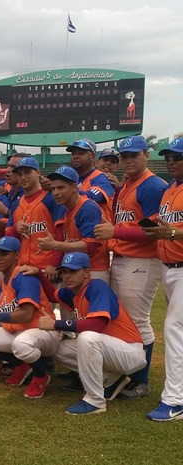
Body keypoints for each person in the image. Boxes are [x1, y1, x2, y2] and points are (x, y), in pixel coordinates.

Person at [93, 135, 167, 398]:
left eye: (134, 155)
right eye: (124, 156)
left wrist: (116, 231)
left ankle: (141, 380)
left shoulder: (152, 186)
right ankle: (128, 372)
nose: (128, 161)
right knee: (122, 317)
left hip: (143, 261)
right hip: (124, 258)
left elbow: (154, 231)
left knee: (138, 320)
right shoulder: (126, 186)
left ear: (146, 154)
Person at [35, 252, 145, 415]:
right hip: (110, 349)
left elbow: (96, 324)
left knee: (88, 337)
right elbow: (52, 295)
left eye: (73, 271)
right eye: (64, 271)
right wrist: (38, 274)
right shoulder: (71, 292)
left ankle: (95, 401)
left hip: (129, 350)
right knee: (58, 349)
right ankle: (111, 380)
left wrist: (55, 324)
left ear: (86, 273)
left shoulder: (97, 287)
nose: (67, 276)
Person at [0, 236, 58, 399]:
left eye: (4, 254)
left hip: (42, 332)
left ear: (17, 256)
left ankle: (40, 375)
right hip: (18, 332)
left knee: (22, 344)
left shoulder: (23, 276)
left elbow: (26, 314)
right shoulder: (4, 280)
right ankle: (20, 363)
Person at [140, 137, 183, 421]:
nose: (170, 161)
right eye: (168, 156)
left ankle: (175, 400)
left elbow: (175, 230)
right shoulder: (171, 189)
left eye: (176, 157)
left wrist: (172, 233)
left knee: (173, 329)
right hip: (169, 267)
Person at [38, 166, 109, 282]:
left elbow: (90, 246)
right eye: (53, 189)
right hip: (73, 268)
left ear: (74, 187)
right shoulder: (65, 208)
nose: (55, 193)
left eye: (61, 188)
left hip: (93, 270)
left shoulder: (87, 208)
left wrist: (55, 245)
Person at [6, 157, 65, 279]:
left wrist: (55, 264)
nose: (23, 177)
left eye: (27, 172)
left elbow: (62, 234)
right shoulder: (16, 203)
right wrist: (16, 227)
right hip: (24, 268)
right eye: (20, 174)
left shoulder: (51, 199)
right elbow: (9, 236)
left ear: (38, 173)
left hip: (48, 269)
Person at [66, 139, 115, 217]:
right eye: (73, 154)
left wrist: (67, 190)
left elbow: (94, 197)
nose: (75, 157)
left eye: (80, 153)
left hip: (97, 227)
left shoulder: (101, 178)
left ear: (91, 156)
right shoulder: (74, 180)